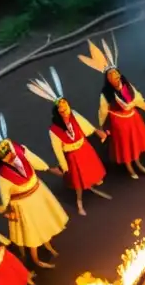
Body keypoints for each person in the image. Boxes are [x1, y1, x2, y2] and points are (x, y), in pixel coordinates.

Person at [0, 110, 68, 269]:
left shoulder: (21, 151)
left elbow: (36, 162)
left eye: (9, 151)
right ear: (0, 159)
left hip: (39, 194)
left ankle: (48, 245)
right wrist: (7, 209)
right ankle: (36, 259)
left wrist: (49, 169)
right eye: (5, 155)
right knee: (32, 233)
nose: (9, 155)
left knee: (44, 223)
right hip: (24, 205)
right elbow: (5, 198)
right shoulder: (2, 176)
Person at [27, 67, 111, 217]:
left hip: (84, 149)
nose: (64, 108)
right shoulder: (54, 130)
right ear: (57, 110)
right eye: (61, 106)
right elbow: (57, 149)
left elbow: (86, 126)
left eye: (65, 104)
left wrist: (98, 133)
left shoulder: (75, 115)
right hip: (73, 156)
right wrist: (64, 166)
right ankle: (79, 202)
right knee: (78, 182)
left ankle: (91, 183)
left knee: (91, 171)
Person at [78, 37, 145, 179]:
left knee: (135, 144)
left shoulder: (127, 86)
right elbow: (102, 112)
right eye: (111, 74)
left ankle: (138, 164)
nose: (115, 76)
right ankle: (130, 168)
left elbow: (138, 100)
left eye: (116, 72)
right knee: (125, 146)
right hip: (119, 123)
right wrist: (102, 127)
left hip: (133, 119)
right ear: (108, 79)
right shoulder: (105, 94)